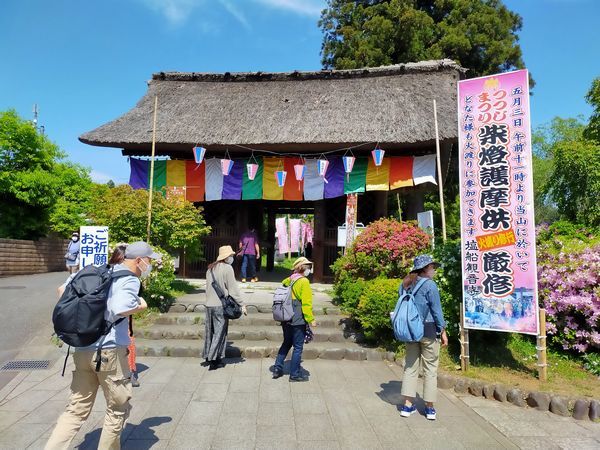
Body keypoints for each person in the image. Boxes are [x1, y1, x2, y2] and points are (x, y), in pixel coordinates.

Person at [45, 241, 159, 450]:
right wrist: (141, 305)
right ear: (139, 261)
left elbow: (61, 291)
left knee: (75, 410)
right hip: (110, 351)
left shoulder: (94, 272)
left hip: (82, 348)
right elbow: (120, 306)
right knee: (117, 409)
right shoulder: (129, 278)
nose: (150, 265)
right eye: (150, 261)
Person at [399, 254, 448, 421]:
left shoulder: (406, 283)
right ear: (426, 268)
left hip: (410, 331)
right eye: (433, 267)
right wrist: (442, 331)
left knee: (410, 368)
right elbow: (436, 311)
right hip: (428, 331)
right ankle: (429, 408)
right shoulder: (430, 285)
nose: (434, 270)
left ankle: (407, 405)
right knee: (430, 370)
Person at [272, 257, 317, 382]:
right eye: (308, 267)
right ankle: (294, 374)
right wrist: (311, 319)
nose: (309, 269)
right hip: (298, 317)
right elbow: (306, 304)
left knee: (286, 342)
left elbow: (283, 283)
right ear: (303, 268)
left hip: (286, 315)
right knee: (298, 347)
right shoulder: (304, 282)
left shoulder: (290, 279)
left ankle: (277, 368)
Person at [204, 245, 246, 370]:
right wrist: (242, 304)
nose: (232, 258)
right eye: (231, 256)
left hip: (208, 305)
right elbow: (233, 289)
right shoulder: (228, 268)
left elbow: (207, 288)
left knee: (210, 333)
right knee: (220, 333)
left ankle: (209, 355)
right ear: (226, 257)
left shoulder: (210, 269)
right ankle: (214, 359)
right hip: (220, 305)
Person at [108, 244, 141, 388]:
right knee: (127, 343)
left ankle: (130, 371)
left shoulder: (107, 272)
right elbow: (122, 307)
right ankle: (129, 373)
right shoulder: (127, 278)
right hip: (119, 319)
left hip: (112, 321)